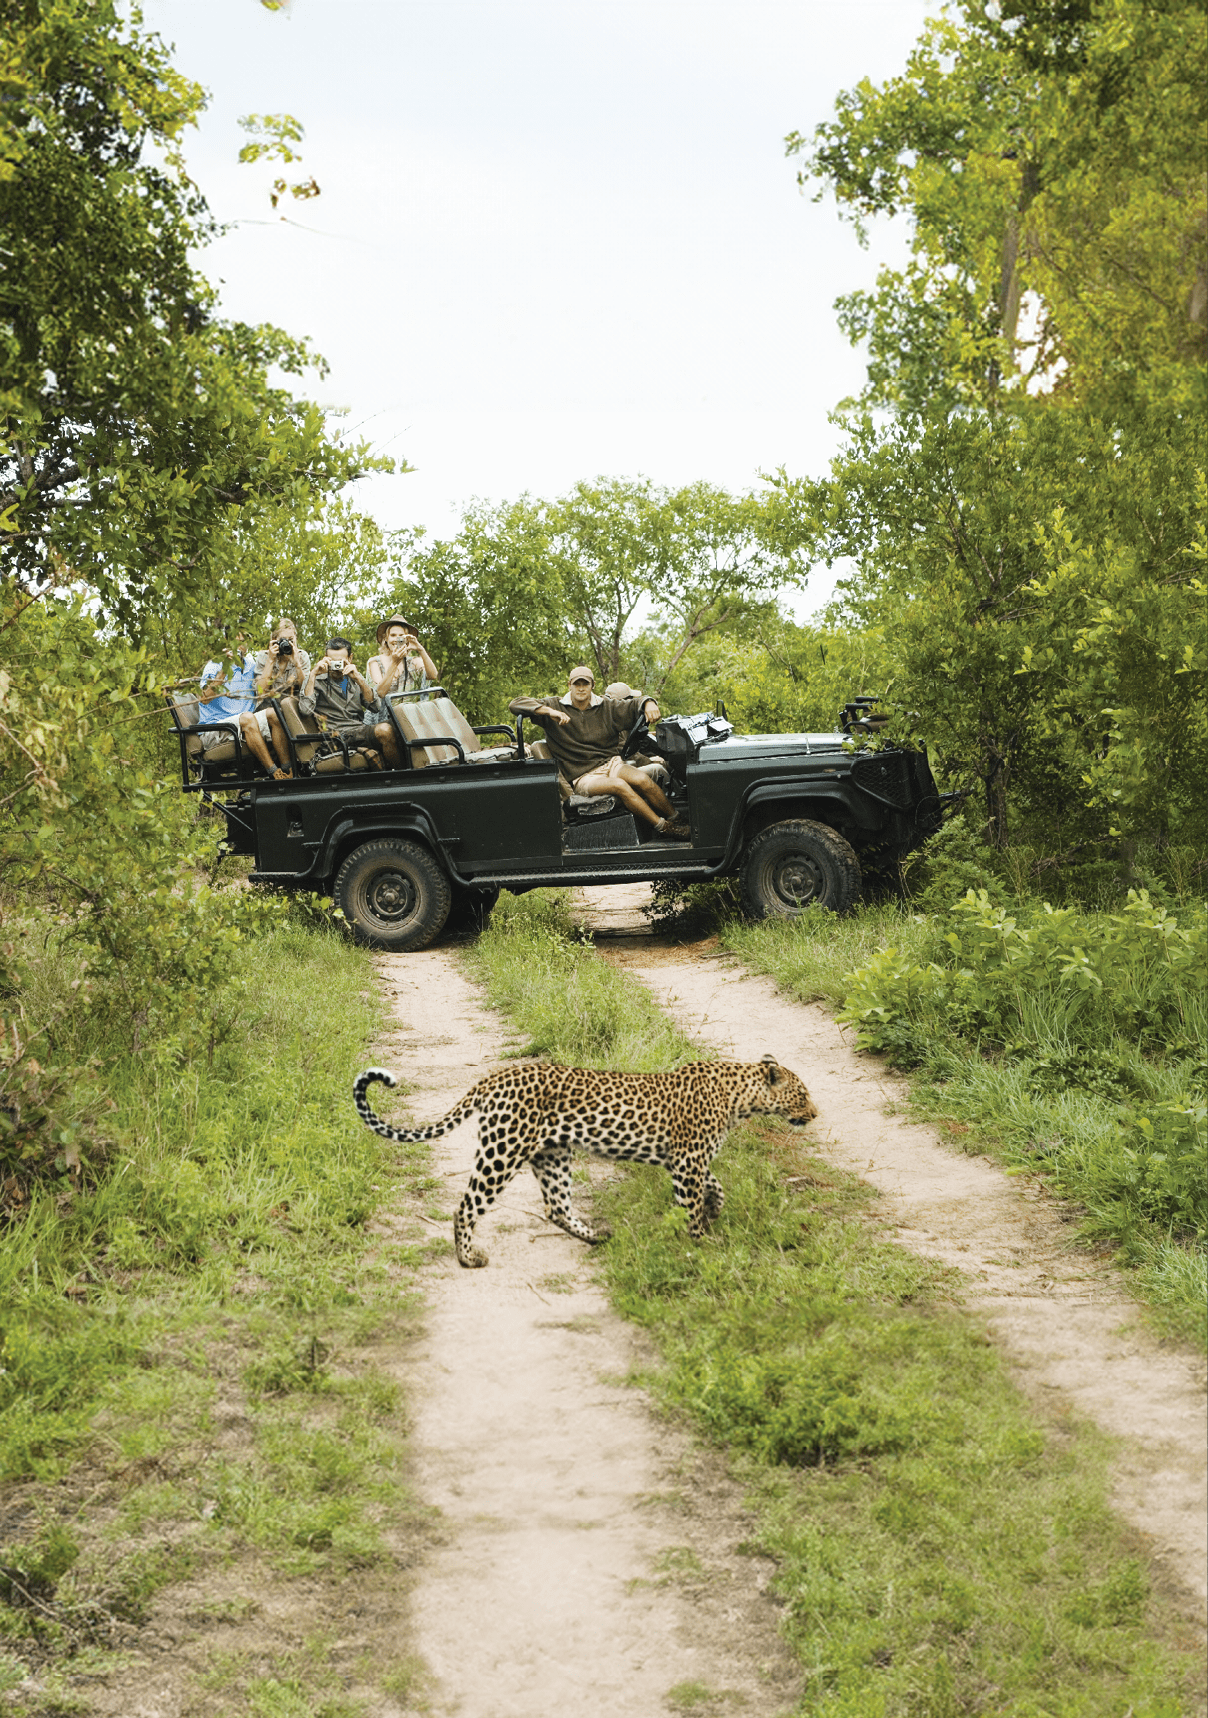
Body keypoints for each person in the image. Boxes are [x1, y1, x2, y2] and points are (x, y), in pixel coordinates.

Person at [509, 667, 689, 839]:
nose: (580, 688)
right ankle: (664, 828)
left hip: (610, 764)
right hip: (583, 777)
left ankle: (678, 819)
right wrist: (549, 712)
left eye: (585, 684)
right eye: (576, 684)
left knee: (642, 779)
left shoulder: (606, 706)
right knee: (620, 786)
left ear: (592, 685)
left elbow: (633, 704)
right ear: (569, 685)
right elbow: (516, 704)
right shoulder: (555, 705)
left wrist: (649, 702)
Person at [298, 636, 404, 768]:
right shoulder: (315, 679)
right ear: (325, 658)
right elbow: (305, 710)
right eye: (332, 661)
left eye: (341, 662)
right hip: (336, 737)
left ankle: (417, 768)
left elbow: (375, 707)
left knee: (401, 723)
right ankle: (399, 777)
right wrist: (313, 674)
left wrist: (359, 679)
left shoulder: (353, 677)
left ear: (350, 658)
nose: (336, 667)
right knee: (384, 730)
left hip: (358, 730)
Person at [198, 631, 292, 777]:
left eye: (243, 641)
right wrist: (224, 670)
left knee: (274, 713)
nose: (240, 646)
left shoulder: (250, 665)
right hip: (215, 727)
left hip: (245, 724)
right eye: (236, 642)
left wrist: (271, 659)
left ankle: (288, 769)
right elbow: (204, 699)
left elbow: (261, 692)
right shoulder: (214, 665)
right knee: (248, 717)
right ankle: (273, 772)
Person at [367, 615, 439, 703]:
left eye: (401, 636)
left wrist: (420, 649)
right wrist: (395, 662)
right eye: (393, 635)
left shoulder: (413, 662)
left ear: (406, 639)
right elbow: (380, 693)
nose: (397, 640)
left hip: (407, 714)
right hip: (383, 716)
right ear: (386, 638)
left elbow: (433, 675)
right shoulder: (374, 662)